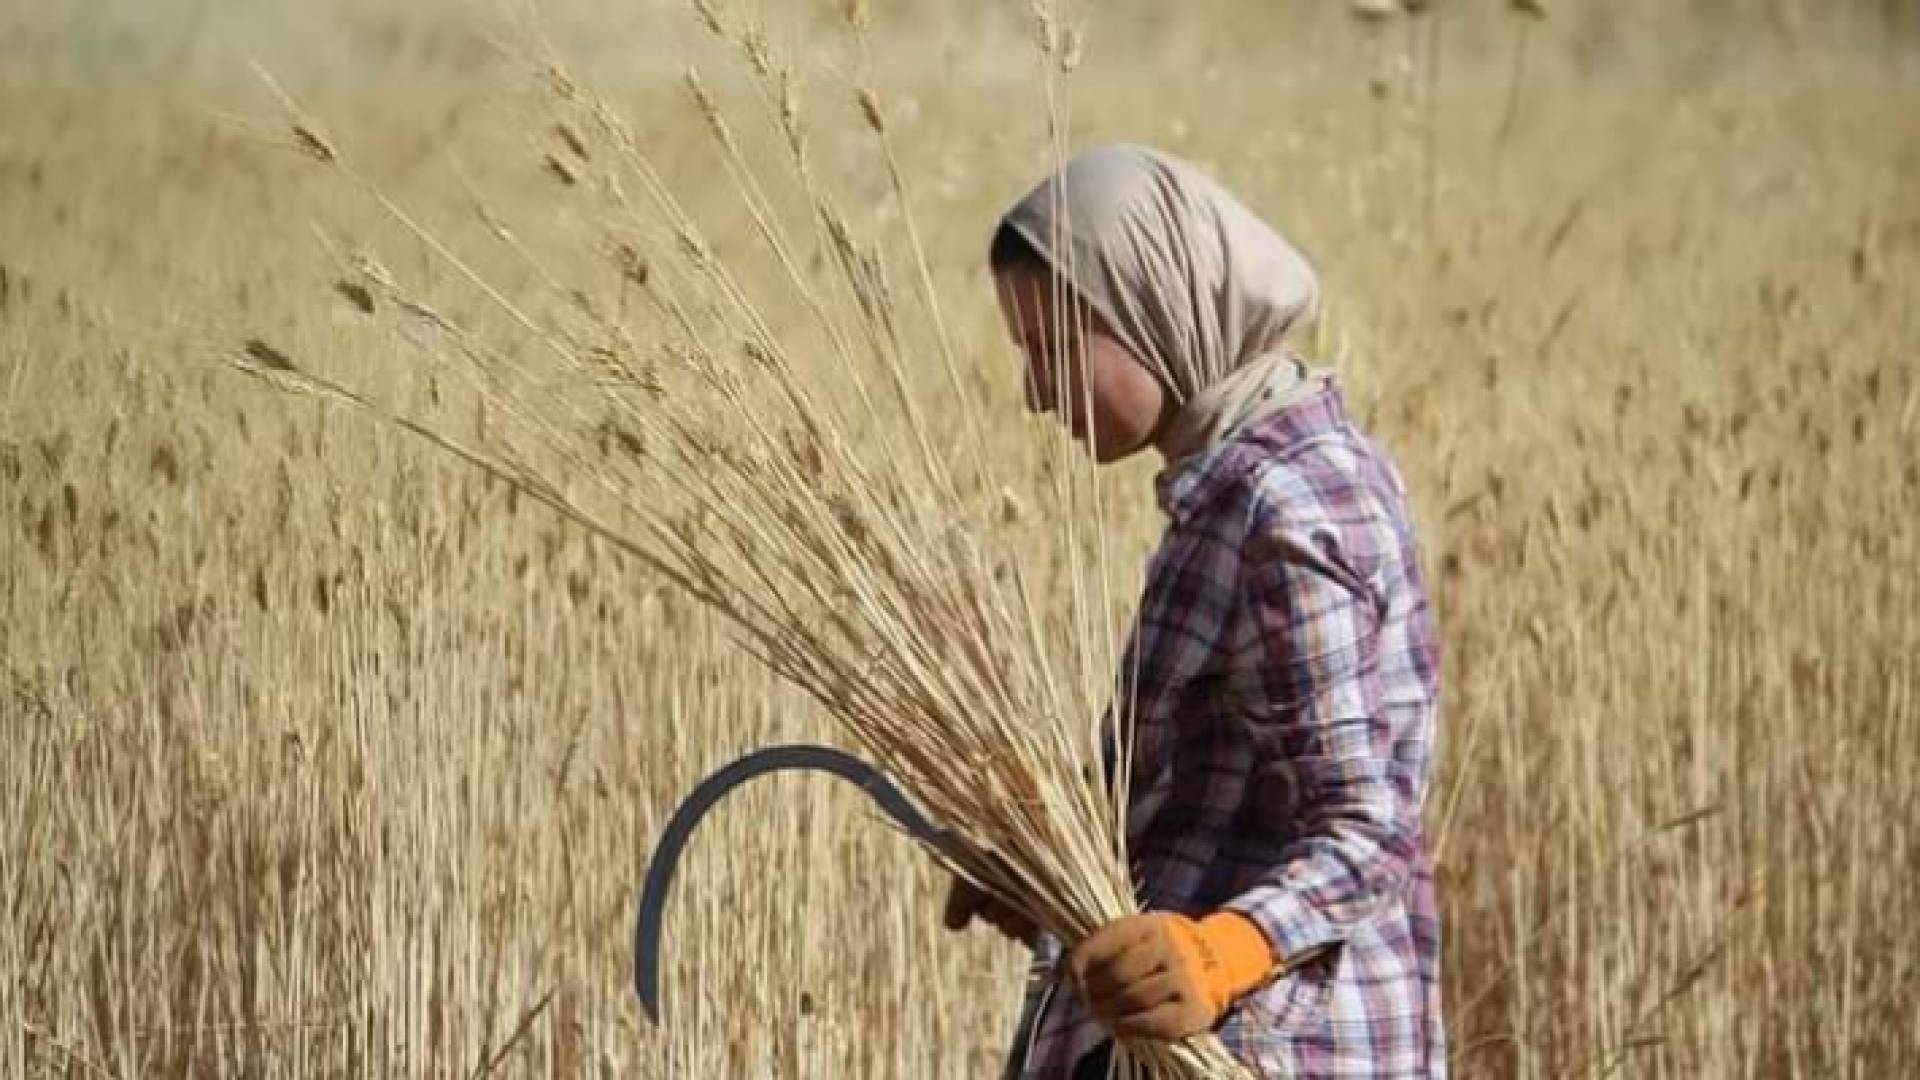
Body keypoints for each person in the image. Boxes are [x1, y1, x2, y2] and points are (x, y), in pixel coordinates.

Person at [944, 145, 1446, 1079]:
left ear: (1155, 314)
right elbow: (1210, 787)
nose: (1035, 392)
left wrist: (1222, 956)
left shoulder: (1286, 507)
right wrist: (1051, 865)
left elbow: (1371, 828)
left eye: (1054, 349)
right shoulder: (1232, 489)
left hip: (1273, 1046)